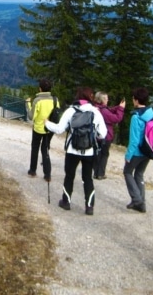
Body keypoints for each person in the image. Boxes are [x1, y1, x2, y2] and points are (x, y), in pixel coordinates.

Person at [45, 87, 106, 215]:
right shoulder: (95, 112)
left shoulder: (71, 111)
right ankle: (89, 206)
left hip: (72, 150)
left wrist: (47, 123)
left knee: (69, 176)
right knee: (87, 178)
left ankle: (66, 202)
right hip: (89, 151)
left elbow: (59, 129)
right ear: (90, 97)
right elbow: (103, 134)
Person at [124, 87, 153, 213]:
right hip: (148, 150)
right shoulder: (152, 114)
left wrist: (128, 155)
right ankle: (141, 203)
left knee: (127, 172)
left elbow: (134, 140)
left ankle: (137, 200)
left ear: (136, 100)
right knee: (139, 174)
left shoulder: (136, 117)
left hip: (137, 152)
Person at [25, 79, 59, 182]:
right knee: (45, 150)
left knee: (35, 149)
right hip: (49, 129)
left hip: (38, 129)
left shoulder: (37, 100)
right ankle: (47, 174)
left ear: (40, 89)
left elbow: (31, 116)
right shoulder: (55, 100)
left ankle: (32, 170)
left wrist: (27, 104)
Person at [94, 92, 126, 179]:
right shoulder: (104, 111)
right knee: (104, 154)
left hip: (96, 135)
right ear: (103, 100)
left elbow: (109, 110)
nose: (108, 100)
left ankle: (95, 171)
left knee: (98, 153)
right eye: (106, 98)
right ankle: (100, 173)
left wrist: (118, 107)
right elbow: (116, 118)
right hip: (106, 136)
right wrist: (121, 109)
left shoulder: (97, 108)